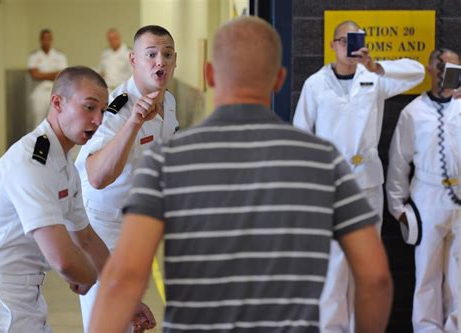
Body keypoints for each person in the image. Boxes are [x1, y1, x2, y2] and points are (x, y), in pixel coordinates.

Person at [89, 16, 393, 333]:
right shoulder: (325, 162)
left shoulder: (165, 162)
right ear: (279, 79)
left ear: (209, 74)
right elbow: (376, 278)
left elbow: (124, 279)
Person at [292, 20, 425, 332]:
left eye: (354, 40)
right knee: (334, 265)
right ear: (332, 44)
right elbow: (301, 135)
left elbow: (418, 72)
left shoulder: (374, 78)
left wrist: (376, 65)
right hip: (331, 185)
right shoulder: (315, 84)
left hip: (367, 182)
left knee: (365, 266)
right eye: (343, 41)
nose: (348, 47)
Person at [0, 66, 109, 332]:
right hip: (0, 299)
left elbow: (85, 238)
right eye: (89, 108)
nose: (98, 120)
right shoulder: (31, 164)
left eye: (103, 111)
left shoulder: (63, 162)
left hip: (26, 293)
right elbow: (63, 259)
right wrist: (88, 275)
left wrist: (124, 294)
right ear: (57, 103)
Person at [75, 25, 178, 332]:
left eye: (167, 55)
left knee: (130, 322)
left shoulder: (168, 102)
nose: (160, 62)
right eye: (151, 55)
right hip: (101, 227)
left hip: (135, 226)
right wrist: (133, 124)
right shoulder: (116, 108)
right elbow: (97, 176)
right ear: (133, 60)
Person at [386, 48, 460, 332]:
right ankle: (427, 327)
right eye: (441, 68)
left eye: (454, 69)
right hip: (427, 197)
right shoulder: (413, 113)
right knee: (427, 270)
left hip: (459, 194)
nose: (446, 75)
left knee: (458, 273)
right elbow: (398, 164)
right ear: (430, 70)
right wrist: (398, 209)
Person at [28, 29, 68, 130]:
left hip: (55, 91)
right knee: (38, 121)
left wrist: (42, 74)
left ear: (51, 39)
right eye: (44, 39)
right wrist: (53, 74)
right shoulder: (34, 56)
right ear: (40, 40)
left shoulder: (60, 56)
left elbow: (62, 75)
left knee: (56, 121)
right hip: (40, 91)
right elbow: (34, 75)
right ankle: (39, 145)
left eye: (48, 38)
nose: (46, 41)